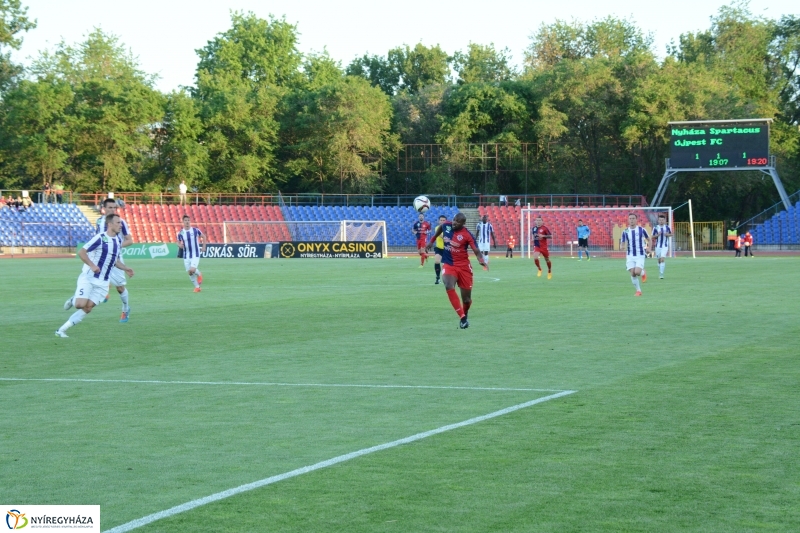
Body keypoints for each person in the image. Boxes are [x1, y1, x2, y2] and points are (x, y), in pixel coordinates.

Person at [57, 214, 134, 337]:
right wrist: (92, 265)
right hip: (89, 278)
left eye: (121, 223)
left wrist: (126, 268)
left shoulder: (118, 241)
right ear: (110, 224)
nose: (121, 225)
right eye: (118, 223)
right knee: (79, 305)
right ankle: (74, 299)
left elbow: (114, 260)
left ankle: (61, 330)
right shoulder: (100, 238)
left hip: (103, 283)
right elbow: (81, 252)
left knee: (88, 308)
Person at [426, 213, 487, 329]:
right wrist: (431, 241)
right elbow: (440, 229)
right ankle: (462, 318)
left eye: (458, 222)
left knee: (467, 300)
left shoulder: (467, 235)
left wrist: (481, 260)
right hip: (449, 264)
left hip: (464, 267)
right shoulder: (446, 225)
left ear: (463, 224)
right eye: (454, 220)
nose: (454, 222)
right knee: (448, 285)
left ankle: (465, 313)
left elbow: (476, 250)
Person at [96, 198, 134, 321]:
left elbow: (129, 240)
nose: (112, 210)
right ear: (104, 208)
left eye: (114, 208)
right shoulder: (99, 222)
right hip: (101, 258)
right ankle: (104, 290)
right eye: (110, 207)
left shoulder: (121, 222)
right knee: (93, 278)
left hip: (115, 258)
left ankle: (125, 308)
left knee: (120, 287)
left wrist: (116, 245)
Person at [621, 213, 650, 296]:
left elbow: (649, 239)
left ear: (636, 220)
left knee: (637, 272)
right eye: (630, 218)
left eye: (633, 218)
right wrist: (622, 246)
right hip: (630, 255)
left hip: (640, 255)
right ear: (628, 220)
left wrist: (649, 248)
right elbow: (622, 241)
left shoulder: (642, 230)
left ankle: (643, 272)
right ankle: (638, 291)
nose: (632, 220)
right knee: (633, 273)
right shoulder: (625, 231)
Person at [177, 214, 206, 292]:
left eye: (188, 220)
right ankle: (197, 287)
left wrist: (203, 247)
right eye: (185, 220)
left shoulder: (195, 230)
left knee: (192, 270)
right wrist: (180, 245)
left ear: (190, 221)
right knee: (190, 273)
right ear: (183, 222)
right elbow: (178, 242)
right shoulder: (181, 233)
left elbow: (203, 236)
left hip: (195, 254)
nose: (187, 222)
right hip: (186, 255)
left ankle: (199, 274)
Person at [651, 214, 672, 279]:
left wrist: (667, 234)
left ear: (665, 220)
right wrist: (657, 235)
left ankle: (661, 274)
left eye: (662, 220)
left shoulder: (667, 227)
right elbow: (652, 236)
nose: (661, 221)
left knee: (662, 259)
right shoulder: (656, 227)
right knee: (659, 260)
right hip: (658, 246)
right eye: (660, 220)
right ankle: (660, 271)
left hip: (665, 246)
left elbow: (671, 234)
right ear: (658, 220)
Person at [432, 214, 447, 284]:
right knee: (437, 261)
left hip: (447, 248)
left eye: (444, 220)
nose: (442, 221)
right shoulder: (437, 228)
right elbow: (441, 236)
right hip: (439, 248)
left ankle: (448, 278)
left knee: (446, 265)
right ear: (439, 221)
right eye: (441, 220)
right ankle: (437, 278)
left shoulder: (449, 228)